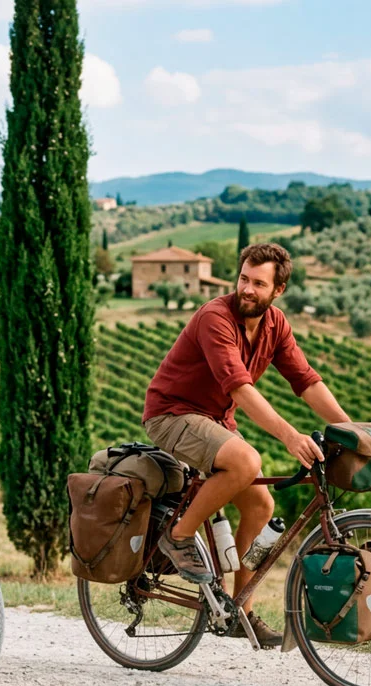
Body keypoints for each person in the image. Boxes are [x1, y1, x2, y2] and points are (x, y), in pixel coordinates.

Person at [142, 243, 351, 648]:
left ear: (279, 290)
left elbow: (305, 380)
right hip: (171, 414)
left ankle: (240, 609)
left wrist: (349, 427)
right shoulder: (215, 318)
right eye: (243, 279)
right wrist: (291, 436)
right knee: (245, 460)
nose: (248, 289)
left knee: (262, 505)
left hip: (215, 421)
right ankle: (179, 536)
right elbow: (240, 388)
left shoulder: (275, 325)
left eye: (259, 283)